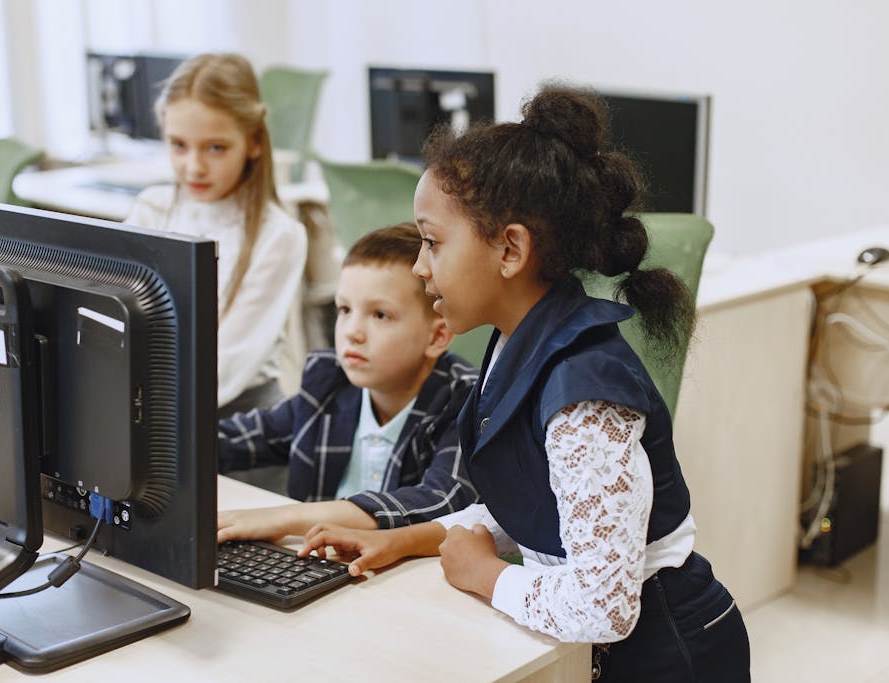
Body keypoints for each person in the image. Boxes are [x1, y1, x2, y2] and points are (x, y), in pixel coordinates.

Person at [299, 86, 751, 681]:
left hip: (668, 654)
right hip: (597, 650)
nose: (419, 265)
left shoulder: (583, 391)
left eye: (432, 242)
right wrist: (411, 539)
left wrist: (484, 574)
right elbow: (541, 505)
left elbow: (604, 606)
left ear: (510, 249)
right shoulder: (518, 339)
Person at [216, 223, 479, 542]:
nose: (352, 331)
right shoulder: (329, 386)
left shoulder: (465, 402)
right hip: (323, 570)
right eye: (344, 309)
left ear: (437, 335)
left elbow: (441, 501)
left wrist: (285, 518)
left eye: (380, 315)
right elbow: (231, 440)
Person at [126, 52, 307, 417]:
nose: (194, 166)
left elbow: (224, 369)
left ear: (253, 143)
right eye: (178, 145)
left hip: (241, 426)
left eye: (216, 148)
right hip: (160, 409)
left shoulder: (279, 236)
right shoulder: (151, 210)